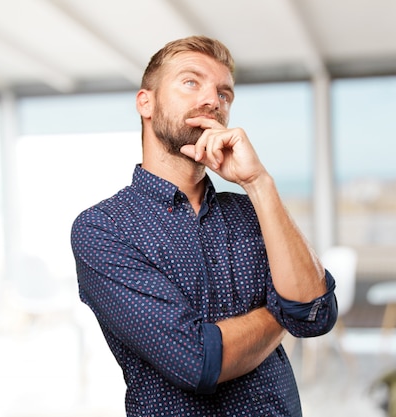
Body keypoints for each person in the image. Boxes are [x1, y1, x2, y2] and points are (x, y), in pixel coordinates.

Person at [71, 35, 338, 417]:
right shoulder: (103, 228)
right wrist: (280, 312)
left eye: (224, 94)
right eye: (191, 82)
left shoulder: (253, 210)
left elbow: (314, 314)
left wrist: (258, 182)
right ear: (145, 102)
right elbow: (196, 360)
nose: (213, 101)